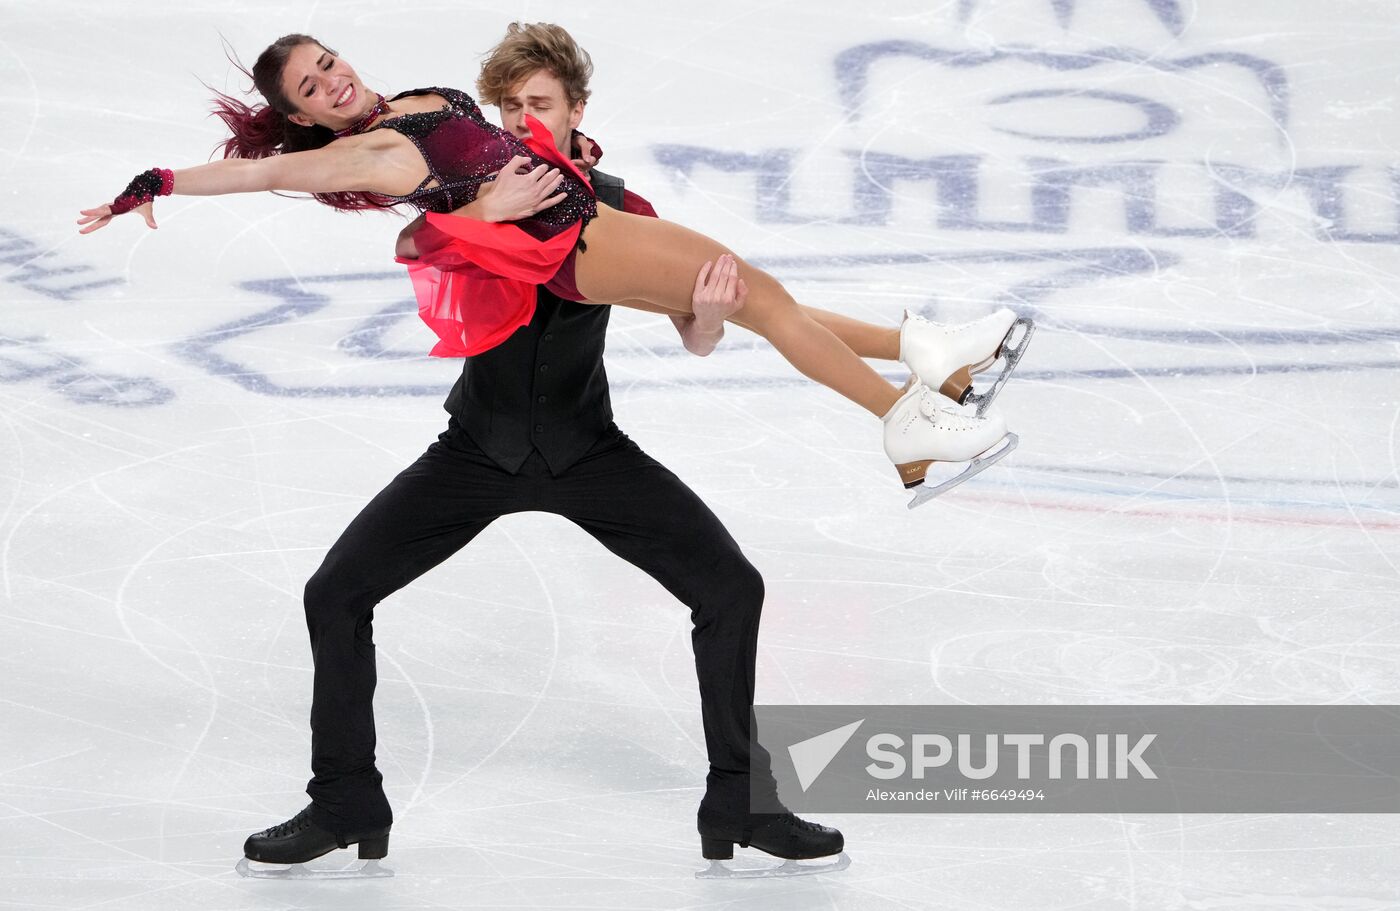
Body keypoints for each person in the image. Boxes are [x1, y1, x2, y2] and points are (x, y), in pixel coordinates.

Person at [77, 34, 1031, 500]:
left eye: (328, 61)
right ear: (307, 113)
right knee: (761, 296)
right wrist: (157, 179)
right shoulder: (356, 151)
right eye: (312, 88)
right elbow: (267, 173)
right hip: (576, 241)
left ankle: (926, 361)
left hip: (583, 228)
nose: (334, 80)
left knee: (754, 299)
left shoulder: (398, 103)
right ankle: (902, 417)